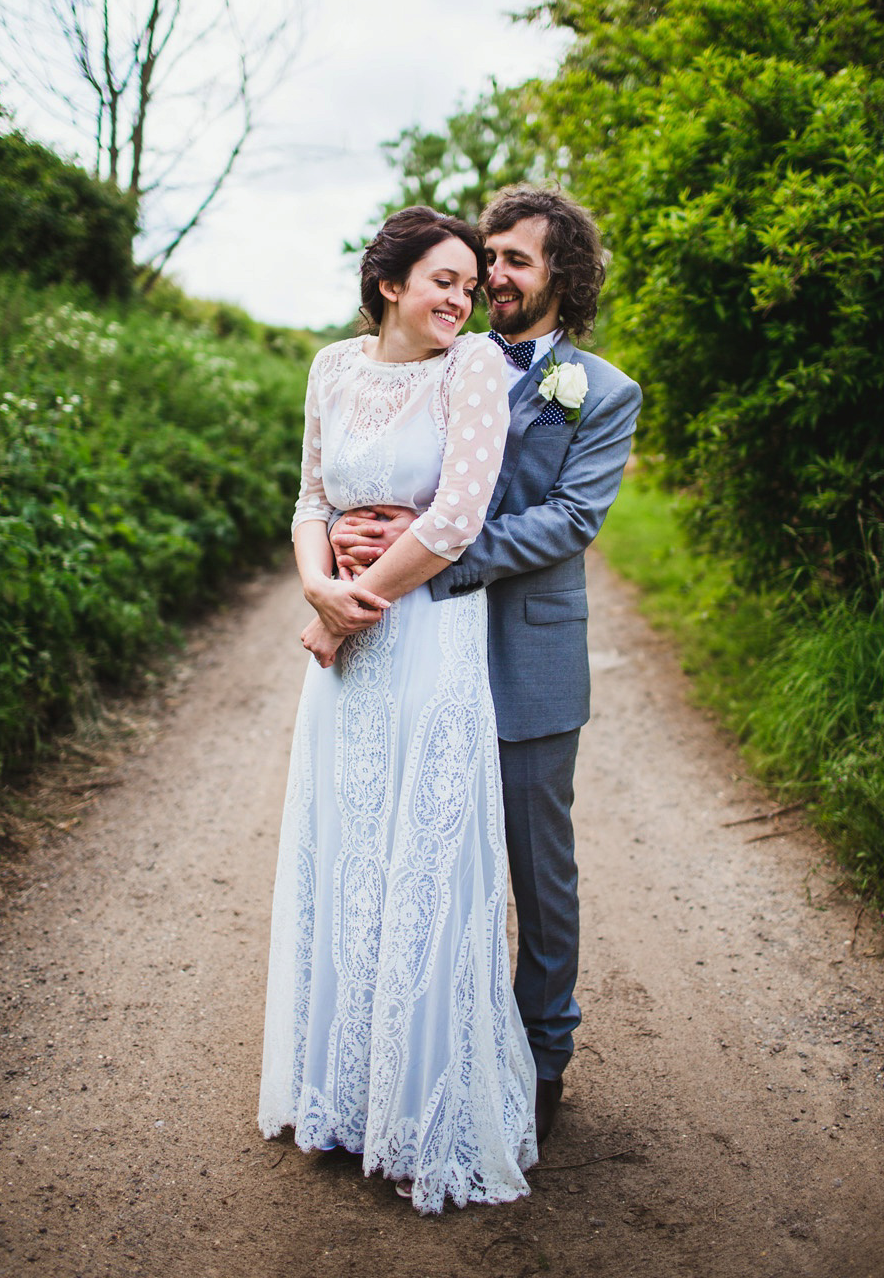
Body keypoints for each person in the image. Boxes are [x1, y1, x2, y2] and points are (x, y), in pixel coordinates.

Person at [330, 186, 642, 1146]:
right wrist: (358, 524)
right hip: (418, 651)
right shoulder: (439, 357)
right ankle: (425, 1056)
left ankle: (544, 1057)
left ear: (563, 278)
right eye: (487, 256)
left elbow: (570, 522)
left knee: (537, 873)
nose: (494, 276)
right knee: (417, 857)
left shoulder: (603, 391)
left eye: (515, 261)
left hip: (527, 657)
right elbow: (375, 458)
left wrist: (434, 548)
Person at [258, 207, 537, 1215]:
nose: (464, 300)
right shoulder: (333, 368)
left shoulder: (475, 371)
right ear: (389, 284)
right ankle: (343, 1100)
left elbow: (458, 521)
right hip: (347, 657)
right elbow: (307, 503)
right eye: (444, 280)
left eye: (472, 284)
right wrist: (317, 592)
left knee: (418, 858)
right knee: (347, 855)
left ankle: (424, 1114)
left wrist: (350, 614)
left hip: (423, 646)